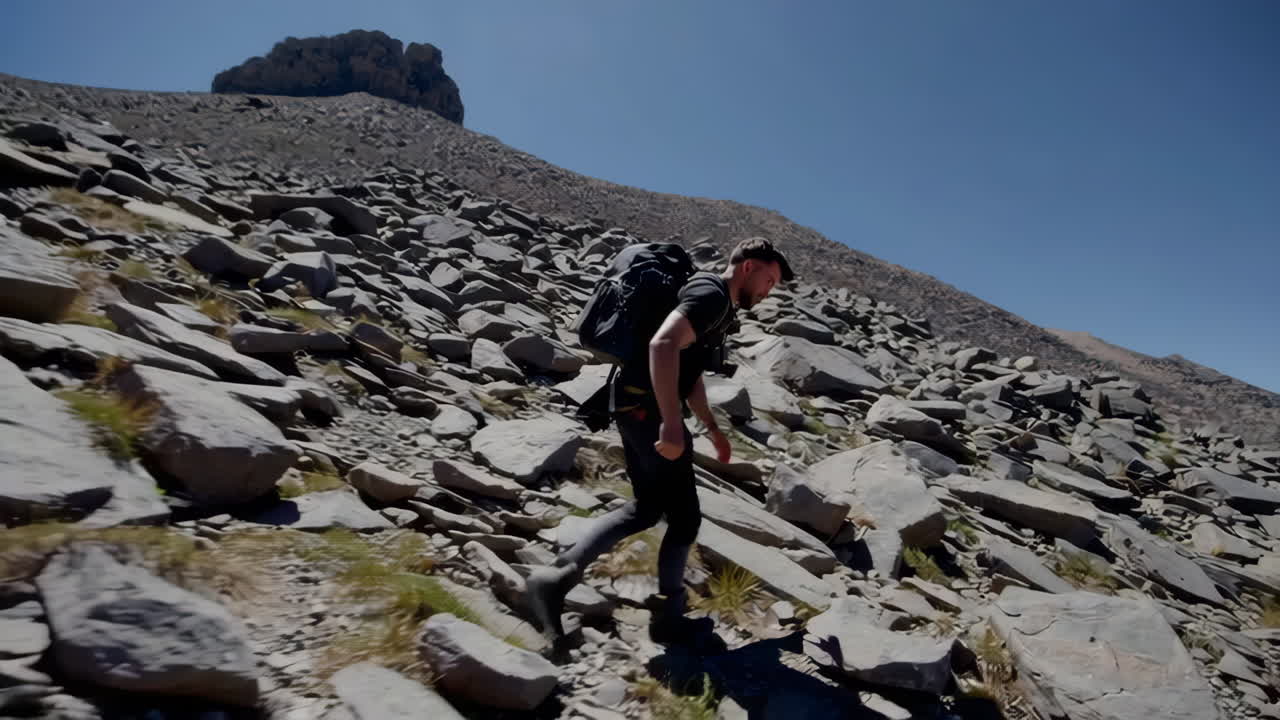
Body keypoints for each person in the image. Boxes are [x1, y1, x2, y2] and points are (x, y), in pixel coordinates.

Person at [525, 237, 794, 643]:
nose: (768, 290)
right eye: (769, 280)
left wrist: (712, 428)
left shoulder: (717, 306)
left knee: (648, 508)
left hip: (636, 406)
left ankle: (555, 578)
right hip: (649, 411)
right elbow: (663, 344)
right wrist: (671, 422)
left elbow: (690, 372)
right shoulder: (710, 295)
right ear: (748, 267)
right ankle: (667, 617)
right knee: (684, 518)